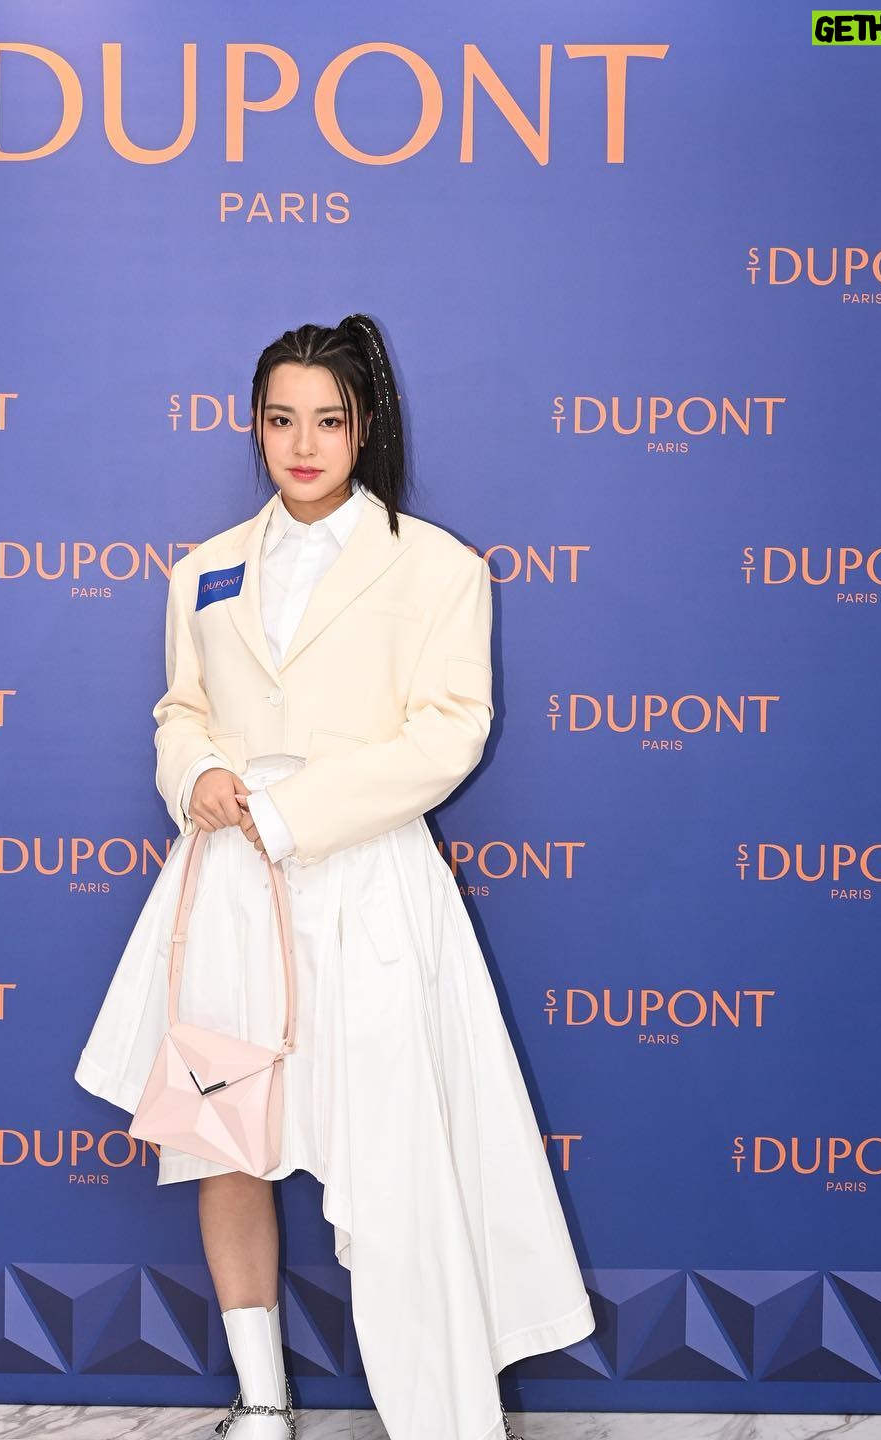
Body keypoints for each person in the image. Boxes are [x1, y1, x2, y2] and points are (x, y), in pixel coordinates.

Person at [74, 314, 596, 1440]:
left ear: (367, 429)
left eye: (328, 420)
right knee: (225, 1140)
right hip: (227, 892)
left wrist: (289, 811)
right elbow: (179, 711)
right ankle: (261, 1400)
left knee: (398, 1155)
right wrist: (197, 775)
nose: (303, 445)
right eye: (281, 420)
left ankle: (441, 1418)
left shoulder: (439, 566)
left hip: (367, 887)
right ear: (255, 428)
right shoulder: (203, 568)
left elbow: (450, 731)